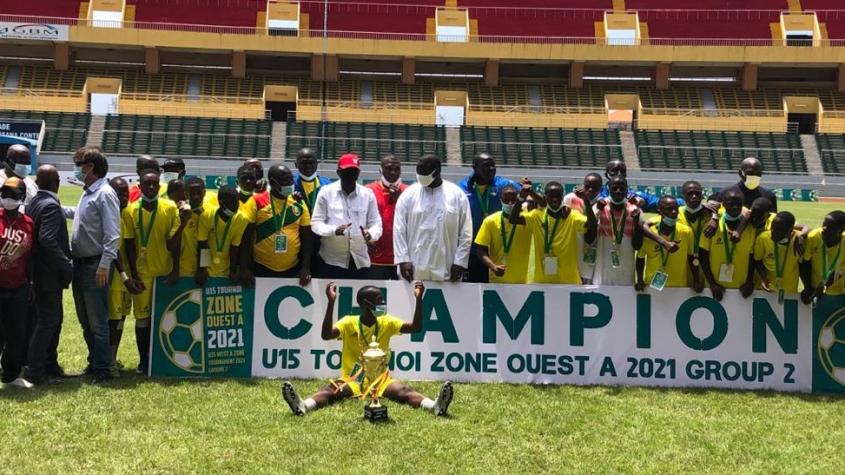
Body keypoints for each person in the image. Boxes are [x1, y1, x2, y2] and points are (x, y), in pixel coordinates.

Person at [281, 281, 453, 417]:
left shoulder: (387, 321)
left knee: (403, 391)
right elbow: (326, 335)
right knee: (332, 390)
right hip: (353, 378)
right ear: (365, 303)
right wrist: (331, 302)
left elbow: (415, 327)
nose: (382, 303)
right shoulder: (349, 322)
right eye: (378, 299)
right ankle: (303, 405)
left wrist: (419, 300)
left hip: (381, 379)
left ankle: (435, 406)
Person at [66, 146, 121, 384]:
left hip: (95, 266)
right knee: (85, 320)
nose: (76, 170)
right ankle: (95, 361)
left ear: (90, 168)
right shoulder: (89, 192)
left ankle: (102, 369)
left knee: (98, 322)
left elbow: (113, 234)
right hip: (80, 265)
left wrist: (105, 264)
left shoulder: (104, 194)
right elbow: (79, 214)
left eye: (79, 165)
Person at [123, 169, 182, 375]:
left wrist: (175, 270)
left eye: (154, 184)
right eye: (147, 184)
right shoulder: (130, 211)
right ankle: (144, 360)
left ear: (159, 185)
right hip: (143, 274)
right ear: (139, 186)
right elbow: (129, 245)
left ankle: (165, 359)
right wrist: (134, 275)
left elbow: (175, 244)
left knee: (168, 318)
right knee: (143, 319)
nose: (151, 187)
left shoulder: (170, 208)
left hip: (164, 272)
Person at [23, 165, 73, 386]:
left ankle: (49, 365)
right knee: (48, 321)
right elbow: (48, 239)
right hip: (49, 274)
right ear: (57, 182)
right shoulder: (51, 205)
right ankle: (35, 370)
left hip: (36, 272)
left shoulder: (35, 202)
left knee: (49, 320)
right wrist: (66, 263)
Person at [394, 154, 472, 282]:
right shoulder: (408, 195)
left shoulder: (457, 195)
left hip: (448, 269)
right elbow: (399, 230)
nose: (420, 176)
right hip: (413, 269)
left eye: (424, 172)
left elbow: (466, 232)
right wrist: (402, 259)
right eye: (419, 171)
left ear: (437, 172)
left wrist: (460, 261)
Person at [508, 182, 597, 284]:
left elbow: (592, 225)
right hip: (542, 280)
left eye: (558, 196)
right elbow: (513, 219)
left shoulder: (572, 216)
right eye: (551, 196)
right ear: (545, 197)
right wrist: (520, 198)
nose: (555, 199)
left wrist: (586, 201)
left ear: (563, 196)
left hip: (568, 280)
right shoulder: (536, 216)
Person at [310, 154, 381, 279]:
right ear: (338, 172)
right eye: (347, 171)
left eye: (354, 171)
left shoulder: (367, 194)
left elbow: (376, 223)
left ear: (358, 173)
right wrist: (333, 230)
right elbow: (316, 223)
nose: (350, 175)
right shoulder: (326, 192)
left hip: (359, 261)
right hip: (331, 260)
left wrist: (370, 234)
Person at [240, 165, 312, 284]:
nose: (290, 183)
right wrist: (244, 268)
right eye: (285, 180)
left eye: (291, 179)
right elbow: (246, 237)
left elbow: (307, 239)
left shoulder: (299, 202)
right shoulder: (257, 201)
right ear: (273, 182)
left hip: (292, 268)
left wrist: (306, 267)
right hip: (261, 267)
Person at [458, 153, 519, 283]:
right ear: (474, 167)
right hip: (472, 252)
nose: (491, 169)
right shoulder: (462, 189)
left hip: (498, 252)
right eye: (487, 166)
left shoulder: (503, 185)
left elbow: (527, 196)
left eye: (493, 165)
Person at [0, 178, 34, 388]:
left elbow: (30, 257)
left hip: (19, 287)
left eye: (12, 194)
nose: (7, 198)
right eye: (4, 193)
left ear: (22, 197)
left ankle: (10, 375)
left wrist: (31, 283)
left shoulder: (28, 223)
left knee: (17, 334)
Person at [106, 177, 140, 371]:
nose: (124, 197)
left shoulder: (126, 214)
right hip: (115, 278)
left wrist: (133, 275)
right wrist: (126, 277)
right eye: (119, 193)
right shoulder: (109, 215)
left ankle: (113, 357)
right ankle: (108, 361)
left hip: (126, 277)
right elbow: (114, 251)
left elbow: (129, 247)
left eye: (126, 193)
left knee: (121, 319)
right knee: (113, 320)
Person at [699, 187, 757, 302]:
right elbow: (703, 255)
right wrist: (712, 283)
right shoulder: (711, 226)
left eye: (738, 204)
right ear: (724, 204)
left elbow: (752, 257)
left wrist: (749, 282)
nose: (735, 207)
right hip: (716, 287)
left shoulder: (750, 228)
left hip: (741, 287)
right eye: (730, 204)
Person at [636, 196, 700, 292]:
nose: (674, 212)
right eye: (669, 209)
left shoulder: (687, 232)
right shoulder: (650, 234)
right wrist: (640, 280)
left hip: (679, 287)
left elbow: (691, 258)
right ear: (660, 211)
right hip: (652, 287)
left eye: (676, 208)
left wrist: (696, 280)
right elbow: (640, 258)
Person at [475, 185, 533, 284]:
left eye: (513, 200)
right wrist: (493, 266)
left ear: (518, 200)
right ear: (501, 200)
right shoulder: (490, 221)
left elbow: (541, 206)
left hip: (525, 282)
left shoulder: (527, 219)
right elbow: (480, 250)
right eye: (506, 200)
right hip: (498, 281)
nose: (510, 203)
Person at [593, 176, 644, 286]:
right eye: (614, 188)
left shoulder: (635, 210)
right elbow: (589, 236)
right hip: (603, 271)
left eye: (622, 188)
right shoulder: (600, 206)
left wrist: (636, 222)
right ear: (608, 188)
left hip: (626, 270)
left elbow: (637, 246)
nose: (618, 191)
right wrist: (596, 211)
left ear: (627, 189)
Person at [196, 186, 250, 285]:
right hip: (207, 270)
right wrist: (202, 269)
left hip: (226, 270)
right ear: (221, 203)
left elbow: (235, 246)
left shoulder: (242, 219)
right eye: (232, 203)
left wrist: (233, 270)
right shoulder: (207, 216)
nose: (236, 206)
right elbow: (203, 244)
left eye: (237, 202)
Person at [365, 154, 407, 280]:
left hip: (403, 258)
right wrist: (366, 238)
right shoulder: (368, 190)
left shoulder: (410, 192)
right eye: (388, 168)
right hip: (375, 258)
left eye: (396, 169)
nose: (393, 172)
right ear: (380, 170)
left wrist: (401, 199)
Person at [751, 211, 801, 302]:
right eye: (772, 227)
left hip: (790, 291)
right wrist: (764, 278)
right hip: (766, 290)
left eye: (779, 229)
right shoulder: (763, 238)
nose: (773, 232)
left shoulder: (797, 239)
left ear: (790, 230)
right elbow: (757, 260)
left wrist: (802, 235)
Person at [564, 173, 603, 283]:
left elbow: (593, 226)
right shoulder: (571, 198)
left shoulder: (603, 204)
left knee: (588, 283)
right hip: (572, 247)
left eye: (594, 187)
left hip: (592, 249)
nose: (590, 190)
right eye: (587, 186)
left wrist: (585, 200)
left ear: (601, 188)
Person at [799, 211, 845, 305]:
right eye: (824, 224)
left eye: (830, 227)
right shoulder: (814, 237)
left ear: (841, 231)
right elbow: (805, 263)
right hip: (813, 287)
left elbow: (841, 272)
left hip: (838, 291)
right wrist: (808, 287)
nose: (824, 228)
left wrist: (823, 288)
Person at [171, 178, 212, 283]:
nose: (196, 197)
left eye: (199, 193)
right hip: (183, 271)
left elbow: (208, 243)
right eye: (192, 193)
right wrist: (175, 270)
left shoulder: (210, 212)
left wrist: (202, 268)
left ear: (204, 192)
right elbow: (174, 245)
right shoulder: (179, 213)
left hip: (206, 271)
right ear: (186, 194)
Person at [597, 160, 679, 213]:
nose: (619, 174)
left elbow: (661, 202)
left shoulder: (636, 196)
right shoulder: (597, 194)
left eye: (622, 171)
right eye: (614, 171)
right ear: (606, 175)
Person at [678, 180, 712, 289]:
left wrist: (715, 217)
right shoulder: (675, 213)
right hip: (682, 267)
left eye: (698, 193)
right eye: (690, 194)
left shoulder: (710, 214)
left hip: (706, 267)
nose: (694, 196)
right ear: (683, 196)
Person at [293, 147, 332, 215]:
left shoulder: (327, 184)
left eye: (311, 162)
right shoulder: (290, 182)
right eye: (304, 162)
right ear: (296, 164)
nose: (308, 166)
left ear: (317, 164)